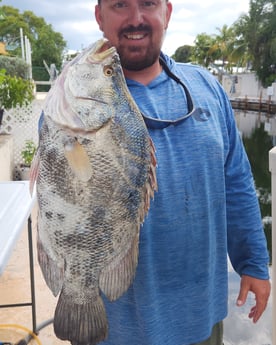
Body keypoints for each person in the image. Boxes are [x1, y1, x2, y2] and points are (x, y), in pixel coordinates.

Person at [94, 1, 271, 344]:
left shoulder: (206, 87)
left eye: (148, 3)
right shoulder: (78, 100)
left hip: (200, 317)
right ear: (100, 17)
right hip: (110, 325)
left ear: (167, 13)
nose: (136, 19)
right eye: (120, 5)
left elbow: (236, 182)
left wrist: (253, 262)